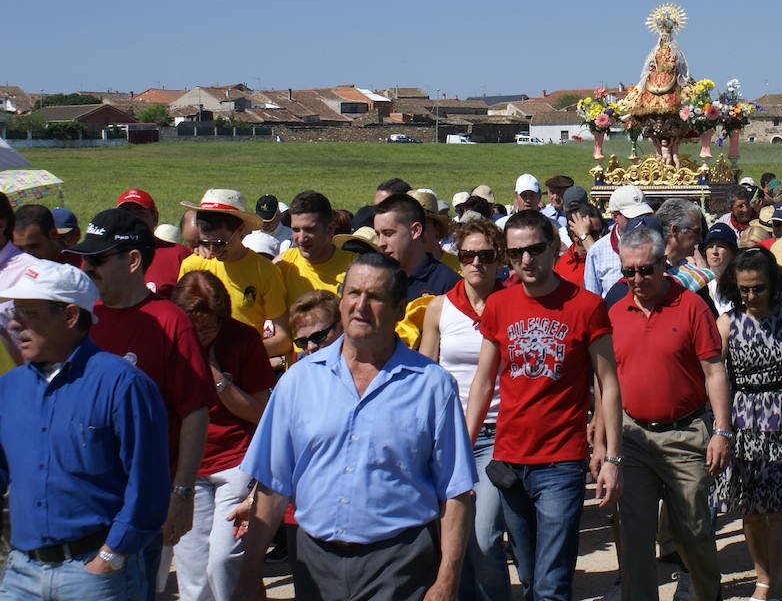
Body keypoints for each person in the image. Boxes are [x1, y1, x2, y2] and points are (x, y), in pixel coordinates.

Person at [231, 253, 478, 601]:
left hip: (399, 561)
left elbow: (456, 493)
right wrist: (249, 572)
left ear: (398, 308)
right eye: (353, 293)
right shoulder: (298, 381)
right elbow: (273, 485)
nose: (361, 305)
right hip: (314, 560)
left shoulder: (432, 386)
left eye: (374, 296)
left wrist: (446, 581)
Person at [466, 210, 623, 601]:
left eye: (534, 249)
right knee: (530, 573)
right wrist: (463, 447)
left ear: (554, 247)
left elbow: (608, 382)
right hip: (508, 458)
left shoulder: (585, 306)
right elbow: (483, 382)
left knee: (552, 584)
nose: (525, 260)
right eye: (515, 251)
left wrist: (611, 457)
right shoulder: (500, 305)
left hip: (560, 460)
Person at [0, 260, 170, 601]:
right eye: (15, 312)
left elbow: (148, 485)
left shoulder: (122, 384)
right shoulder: (9, 388)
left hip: (96, 575)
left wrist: (110, 556)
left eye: (29, 313)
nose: (15, 324)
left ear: (70, 316)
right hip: (21, 572)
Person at [71, 208, 218, 592]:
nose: (87, 267)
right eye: (85, 258)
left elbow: (194, 412)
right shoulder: (83, 318)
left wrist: (182, 493)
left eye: (98, 259)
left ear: (133, 260)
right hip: (84, 497)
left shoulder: (170, 322)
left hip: (140, 501)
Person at [605, 222, 729, 601]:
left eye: (645, 269)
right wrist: (603, 444)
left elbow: (714, 371)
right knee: (636, 536)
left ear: (663, 264)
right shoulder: (615, 310)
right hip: (633, 436)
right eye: (629, 271)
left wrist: (722, 431)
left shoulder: (692, 306)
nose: (637, 278)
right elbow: (605, 381)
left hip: (685, 433)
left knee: (693, 532)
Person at [711, 247, 782, 601]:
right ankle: (762, 579)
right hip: (743, 421)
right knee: (753, 510)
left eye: (757, 288)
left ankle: (777, 583)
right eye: (744, 289)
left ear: (772, 284)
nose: (751, 296)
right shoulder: (727, 323)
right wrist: (720, 429)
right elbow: (711, 375)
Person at [418, 218, 511, 601]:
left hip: (496, 433)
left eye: (485, 255)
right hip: (448, 435)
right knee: (452, 534)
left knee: (485, 535)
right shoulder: (439, 309)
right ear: (458, 260)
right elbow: (425, 372)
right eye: (468, 254)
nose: (476, 262)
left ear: (498, 258)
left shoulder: (512, 305)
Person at [168, 271, 274, 601]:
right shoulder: (167, 339)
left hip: (235, 459)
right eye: (192, 327)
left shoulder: (242, 339)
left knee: (222, 560)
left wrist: (218, 380)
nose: (200, 336)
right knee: (192, 572)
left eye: (209, 327)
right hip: (188, 465)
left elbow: (261, 411)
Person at [178, 189, 291, 358]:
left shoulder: (265, 271)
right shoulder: (192, 265)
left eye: (219, 243)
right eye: (204, 242)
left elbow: (283, 339)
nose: (212, 250)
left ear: (241, 229)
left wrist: (239, 353)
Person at [373, 192, 461, 303]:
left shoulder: (448, 285)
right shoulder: (377, 280)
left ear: (415, 231)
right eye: (378, 234)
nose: (380, 243)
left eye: (389, 233)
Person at [276, 191, 357, 307]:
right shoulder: (283, 265)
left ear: (329, 230)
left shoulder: (355, 269)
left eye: (309, 229)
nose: (302, 238)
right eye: (296, 230)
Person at [114, 189, 192, 296]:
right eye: (125, 213)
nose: (132, 219)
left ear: (155, 217)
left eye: (139, 213)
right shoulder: (105, 255)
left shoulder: (179, 255)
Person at [584, 185, 653, 296]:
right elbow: (592, 298)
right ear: (615, 216)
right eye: (632, 217)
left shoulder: (657, 243)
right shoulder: (597, 251)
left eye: (643, 215)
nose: (638, 221)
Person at [554, 201, 603, 285]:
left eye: (601, 231)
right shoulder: (558, 266)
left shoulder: (606, 259)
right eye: (593, 233)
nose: (600, 237)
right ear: (575, 236)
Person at [703, 223, 739, 312]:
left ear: (733, 252)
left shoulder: (741, 284)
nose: (714, 251)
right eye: (710, 246)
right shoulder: (701, 285)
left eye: (720, 246)